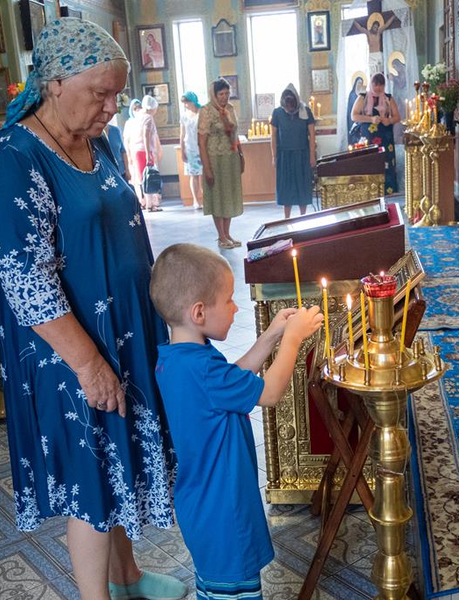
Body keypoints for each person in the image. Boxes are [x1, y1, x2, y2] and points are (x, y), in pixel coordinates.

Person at [0, 18, 185, 600]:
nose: (111, 107)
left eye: (116, 94)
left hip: (119, 332)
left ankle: (128, 580)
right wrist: (88, 363)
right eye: (102, 93)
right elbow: (24, 278)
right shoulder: (15, 158)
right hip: (70, 351)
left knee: (115, 463)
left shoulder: (95, 141)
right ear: (56, 82)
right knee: (90, 479)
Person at [150, 243, 323, 599]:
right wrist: (292, 340)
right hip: (224, 512)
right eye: (228, 300)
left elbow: (234, 380)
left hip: (204, 505)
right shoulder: (201, 368)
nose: (235, 307)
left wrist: (272, 335)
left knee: (217, 591)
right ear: (199, 312)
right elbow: (269, 393)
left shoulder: (179, 359)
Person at [198, 78, 244, 249]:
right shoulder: (207, 111)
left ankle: (228, 233)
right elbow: (201, 142)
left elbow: (235, 134)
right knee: (218, 196)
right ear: (214, 94)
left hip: (230, 159)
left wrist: (240, 154)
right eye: (221, 94)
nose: (224, 97)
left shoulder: (230, 109)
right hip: (215, 159)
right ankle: (221, 236)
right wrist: (207, 168)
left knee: (229, 196)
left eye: (227, 93)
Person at [350, 73, 401, 194]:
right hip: (368, 138)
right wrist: (371, 119)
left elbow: (397, 117)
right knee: (369, 165)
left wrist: (389, 120)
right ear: (371, 84)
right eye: (375, 85)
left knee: (386, 166)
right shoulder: (363, 97)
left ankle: (389, 194)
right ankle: (369, 195)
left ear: (384, 85)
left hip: (385, 139)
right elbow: (354, 116)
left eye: (381, 85)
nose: (378, 88)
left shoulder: (388, 98)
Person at [271, 84, 316, 218]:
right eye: (287, 107)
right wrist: (274, 156)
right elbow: (273, 136)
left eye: (291, 106)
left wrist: (312, 155)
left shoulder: (305, 111)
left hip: (302, 154)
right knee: (286, 187)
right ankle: (287, 218)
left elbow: (312, 135)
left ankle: (303, 216)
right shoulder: (277, 113)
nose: (289, 109)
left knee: (302, 185)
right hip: (285, 155)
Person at [138, 95, 162, 211]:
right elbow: (146, 135)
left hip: (137, 151)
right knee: (150, 177)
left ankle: (148, 203)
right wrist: (148, 154)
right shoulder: (148, 118)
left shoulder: (139, 116)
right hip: (145, 151)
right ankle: (151, 205)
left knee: (144, 178)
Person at [180, 91, 203, 209]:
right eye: (184, 103)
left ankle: (206, 199)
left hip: (202, 147)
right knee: (193, 175)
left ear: (192, 101)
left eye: (187, 102)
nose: (185, 105)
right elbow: (182, 134)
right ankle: (195, 200)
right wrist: (182, 150)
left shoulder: (201, 113)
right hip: (190, 148)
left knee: (204, 174)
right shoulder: (184, 116)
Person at [122, 99, 145, 207]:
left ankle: (147, 199)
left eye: (139, 108)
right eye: (135, 109)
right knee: (136, 178)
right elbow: (126, 140)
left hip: (143, 151)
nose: (138, 110)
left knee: (144, 176)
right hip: (133, 152)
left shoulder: (142, 120)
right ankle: (140, 199)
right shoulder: (129, 123)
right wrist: (129, 155)